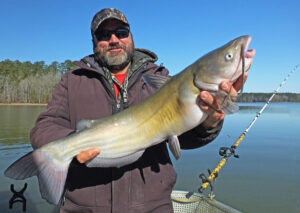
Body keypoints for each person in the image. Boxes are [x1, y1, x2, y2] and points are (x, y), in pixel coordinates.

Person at [30, 8, 247, 213]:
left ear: (131, 36)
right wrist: (74, 142)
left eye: (121, 32)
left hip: (151, 207)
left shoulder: (161, 79)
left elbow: (187, 138)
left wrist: (211, 120)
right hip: (84, 207)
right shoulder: (73, 80)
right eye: (104, 35)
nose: (114, 40)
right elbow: (44, 127)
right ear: (94, 42)